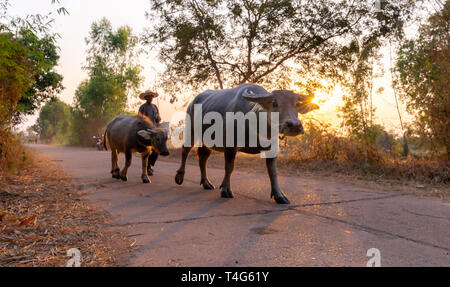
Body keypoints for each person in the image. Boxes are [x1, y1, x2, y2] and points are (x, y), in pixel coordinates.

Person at [138, 90, 161, 176]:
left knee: (157, 150)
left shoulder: (155, 107)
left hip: (154, 130)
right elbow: (139, 119)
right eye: (148, 96)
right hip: (146, 131)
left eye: (151, 96)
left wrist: (158, 119)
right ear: (145, 98)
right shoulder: (142, 107)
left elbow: (158, 118)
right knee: (146, 150)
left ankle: (150, 165)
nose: (150, 97)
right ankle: (147, 168)